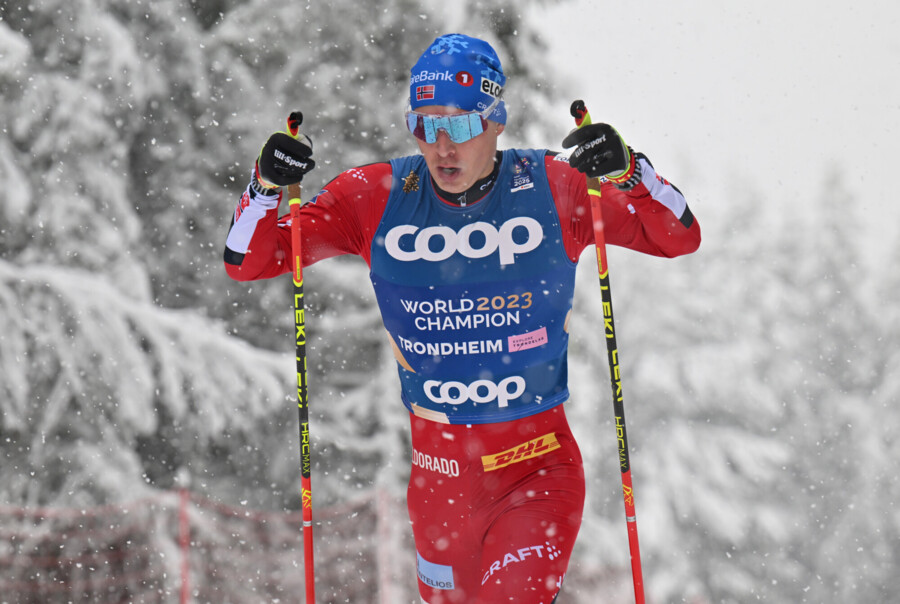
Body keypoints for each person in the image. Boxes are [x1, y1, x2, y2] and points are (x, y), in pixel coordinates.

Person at [224, 33, 700, 604]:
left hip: (535, 474)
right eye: (425, 126)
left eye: (459, 127)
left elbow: (676, 236)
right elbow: (248, 260)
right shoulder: (375, 197)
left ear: (496, 121)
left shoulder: (552, 188)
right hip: (439, 486)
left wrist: (630, 173)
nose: (441, 147)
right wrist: (265, 187)